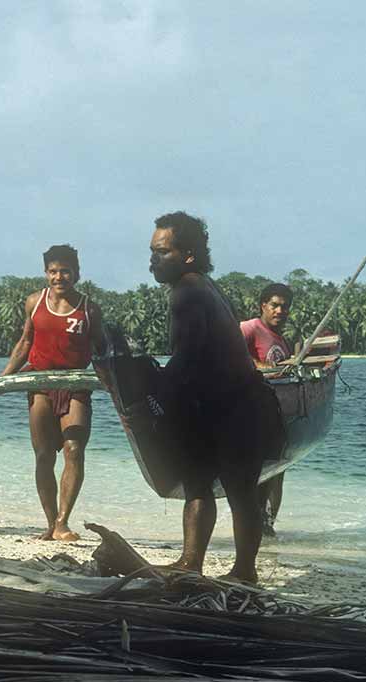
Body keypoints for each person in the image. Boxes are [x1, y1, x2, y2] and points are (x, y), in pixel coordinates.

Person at [148, 211, 284, 583]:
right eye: (153, 252)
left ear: (188, 254)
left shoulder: (187, 291)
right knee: (209, 485)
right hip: (226, 403)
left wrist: (155, 392)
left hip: (232, 405)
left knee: (231, 490)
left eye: (163, 252)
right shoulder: (203, 284)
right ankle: (201, 564)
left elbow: (187, 356)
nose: (153, 260)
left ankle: (235, 570)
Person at [0, 245, 105, 542]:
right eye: (53, 271)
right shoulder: (34, 302)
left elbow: (103, 349)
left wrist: (117, 380)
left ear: (77, 273)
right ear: (46, 273)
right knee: (44, 455)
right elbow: (24, 342)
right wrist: (4, 377)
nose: (59, 277)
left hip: (76, 385)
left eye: (65, 271)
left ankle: (63, 522)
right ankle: (49, 523)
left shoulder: (89, 308)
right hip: (40, 383)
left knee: (74, 450)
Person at [240, 283, 294, 536]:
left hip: (277, 418)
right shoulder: (250, 327)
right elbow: (232, 350)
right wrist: (260, 366)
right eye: (274, 305)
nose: (279, 310)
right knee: (259, 474)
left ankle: (267, 525)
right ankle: (253, 525)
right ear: (263, 305)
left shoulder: (282, 340)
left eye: (284, 306)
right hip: (252, 414)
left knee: (278, 472)